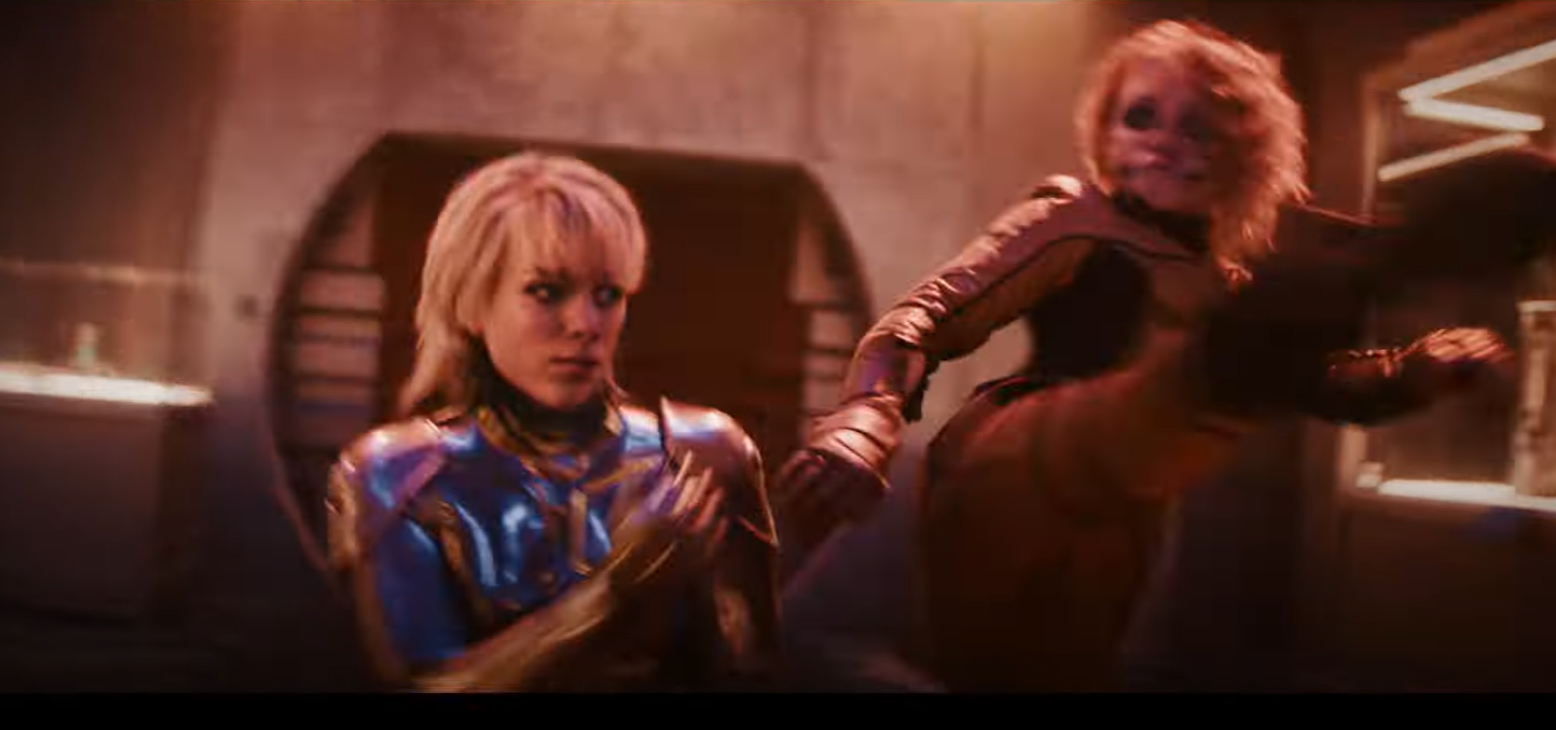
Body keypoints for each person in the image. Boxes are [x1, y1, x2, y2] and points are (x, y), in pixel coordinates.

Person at [771, 19, 1540, 692]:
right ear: (1105, 133)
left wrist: (1416, 368)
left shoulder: (1224, 284)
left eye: (1198, 128)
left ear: (1245, 153)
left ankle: (1361, 273)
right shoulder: (1075, 214)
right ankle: (1372, 265)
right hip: (1013, 456)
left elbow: (1312, 381)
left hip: (1132, 502)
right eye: (1141, 117)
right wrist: (865, 415)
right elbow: (927, 315)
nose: (1166, 142)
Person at [323, 152, 779, 692]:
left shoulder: (700, 456)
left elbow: (750, 675)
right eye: (546, 291)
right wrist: (611, 595)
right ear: (471, 300)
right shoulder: (397, 475)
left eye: (607, 295)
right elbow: (424, 686)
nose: (585, 324)